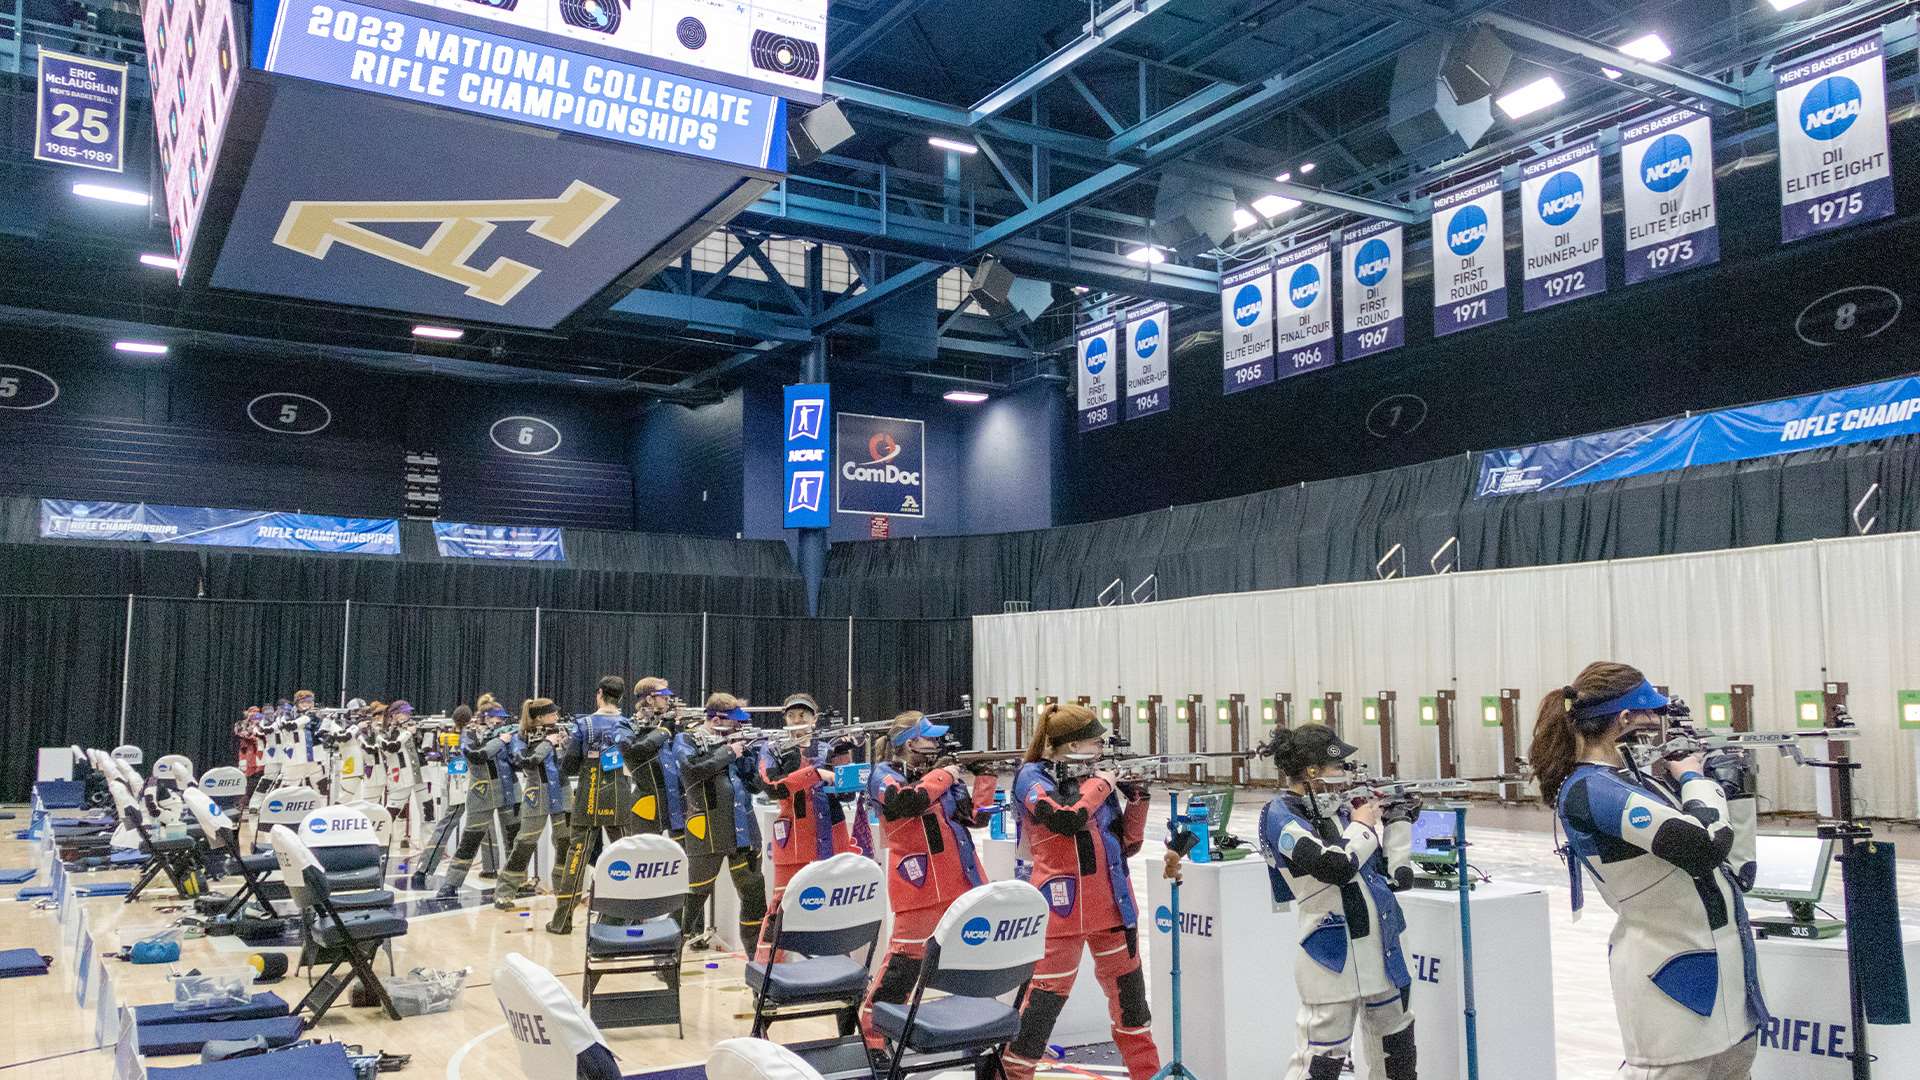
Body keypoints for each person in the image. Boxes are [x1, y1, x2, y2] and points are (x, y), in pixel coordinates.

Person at [1532, 662, 1766, 1080]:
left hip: (1728, 984)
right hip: (1672, 988)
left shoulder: (1632, 781)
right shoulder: (1593, 790)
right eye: (1651, 713)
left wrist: (1735, 792)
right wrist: (1695, 777)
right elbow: (1704, 846)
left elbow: (1734, 869)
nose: (1658, 723)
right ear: (1625, 719)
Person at [1004, 703, 1159, 1080]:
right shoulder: (1032, 777)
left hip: (1113, 906)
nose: (1100, 752)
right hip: (1062, 910)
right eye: (1093, 744)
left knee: (1132, 1006)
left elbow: (1127, 844)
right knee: (1041, 1007)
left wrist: (1138, 799)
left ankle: (1147, 1073)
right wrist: (1104, 782)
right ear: (1068, 745)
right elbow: (1065, 817)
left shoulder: (1092, 779)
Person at [1256, 724, 1418, 1080]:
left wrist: (1398, 821)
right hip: (1332, 959)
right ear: (1312, 771)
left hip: (1384, 951)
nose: (1347, 775)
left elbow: (1396, 878)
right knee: (1321, 1063)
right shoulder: (1280, 815)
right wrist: (1363, 824)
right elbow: (1335, 865)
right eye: (1339, 767)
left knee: (1398, 1055)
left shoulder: (1340, 811)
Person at [857, 710, 988, 1052]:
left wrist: (984, 778)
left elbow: (974, 817)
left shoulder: (936, 774)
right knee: (903, 966)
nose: (936, 743)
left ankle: (973, 1038)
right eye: (929, 737)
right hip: (919, 887)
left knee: (973, 963)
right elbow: (906, 801)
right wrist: (945, 775)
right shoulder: (883, 774)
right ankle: (872, 1037)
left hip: (961, 879)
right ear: (909, 742)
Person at [756, 693, 858, 938]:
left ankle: (836, 965)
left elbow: (849, 793)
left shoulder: (828, 747)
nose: (796, 720)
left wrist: (843, 755)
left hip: (832, 833)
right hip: (794, 837)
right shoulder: (772, 749)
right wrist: (815, 773)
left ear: (814, 720)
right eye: (791, 715)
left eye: (802, 715)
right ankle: (769, 967)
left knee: (835, 903)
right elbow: (772, 787)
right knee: (781, 908)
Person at [676, 693, 767, 951]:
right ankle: (669, 958)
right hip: (708, 829)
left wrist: (755, 757)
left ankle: (756, 959)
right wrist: (729, 751)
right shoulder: (687, 739)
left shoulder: (736, 741)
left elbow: (755, 786)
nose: (739, 727)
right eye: (734, 722)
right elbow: (691, 770)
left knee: (752, 893)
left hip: (744, 830)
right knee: (695, 895)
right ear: (716, 719)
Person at [548, 676, 634, 934]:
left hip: (589, 796)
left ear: (599, 694)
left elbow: (569, 766)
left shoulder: (583, 725)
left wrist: (564, 747)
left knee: (576, 858)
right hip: (619, 796)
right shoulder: (628, 725)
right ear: (620, 697)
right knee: (627, 855)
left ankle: (562, 922)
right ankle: (630, 918)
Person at [439, 700, 523, 898]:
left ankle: (515, 882)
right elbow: (476, 755)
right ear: (484, 718)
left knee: (514, 839)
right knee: (470, 839)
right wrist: (499, 740)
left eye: (502, 719)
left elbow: (518, 762)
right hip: (482, 793)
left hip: (509, 790)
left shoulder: (507, 735)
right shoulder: (469, 735)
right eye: (496, 718)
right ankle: (451, 883)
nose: (500, 722)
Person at [497, 698, 571, 909]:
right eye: (552, 714)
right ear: (539, 717)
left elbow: (569, 762)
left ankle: (563, 891)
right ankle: (504, 892)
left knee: (565, 842)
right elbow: (524, 761)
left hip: (563, 793)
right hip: (536, 793)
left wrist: (566, 745)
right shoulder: (520, 737)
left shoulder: (561, 731)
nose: (557, 717)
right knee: (524, 843)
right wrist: (548, 743)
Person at [623, 677, 680, 836]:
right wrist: (664, 731)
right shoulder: (628, 726)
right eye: (664, 696)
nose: (668, 700)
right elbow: (636, 751)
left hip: (673, 802)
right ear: (649, 699)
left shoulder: (665, 723)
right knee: (644, 855)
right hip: (646, 805)